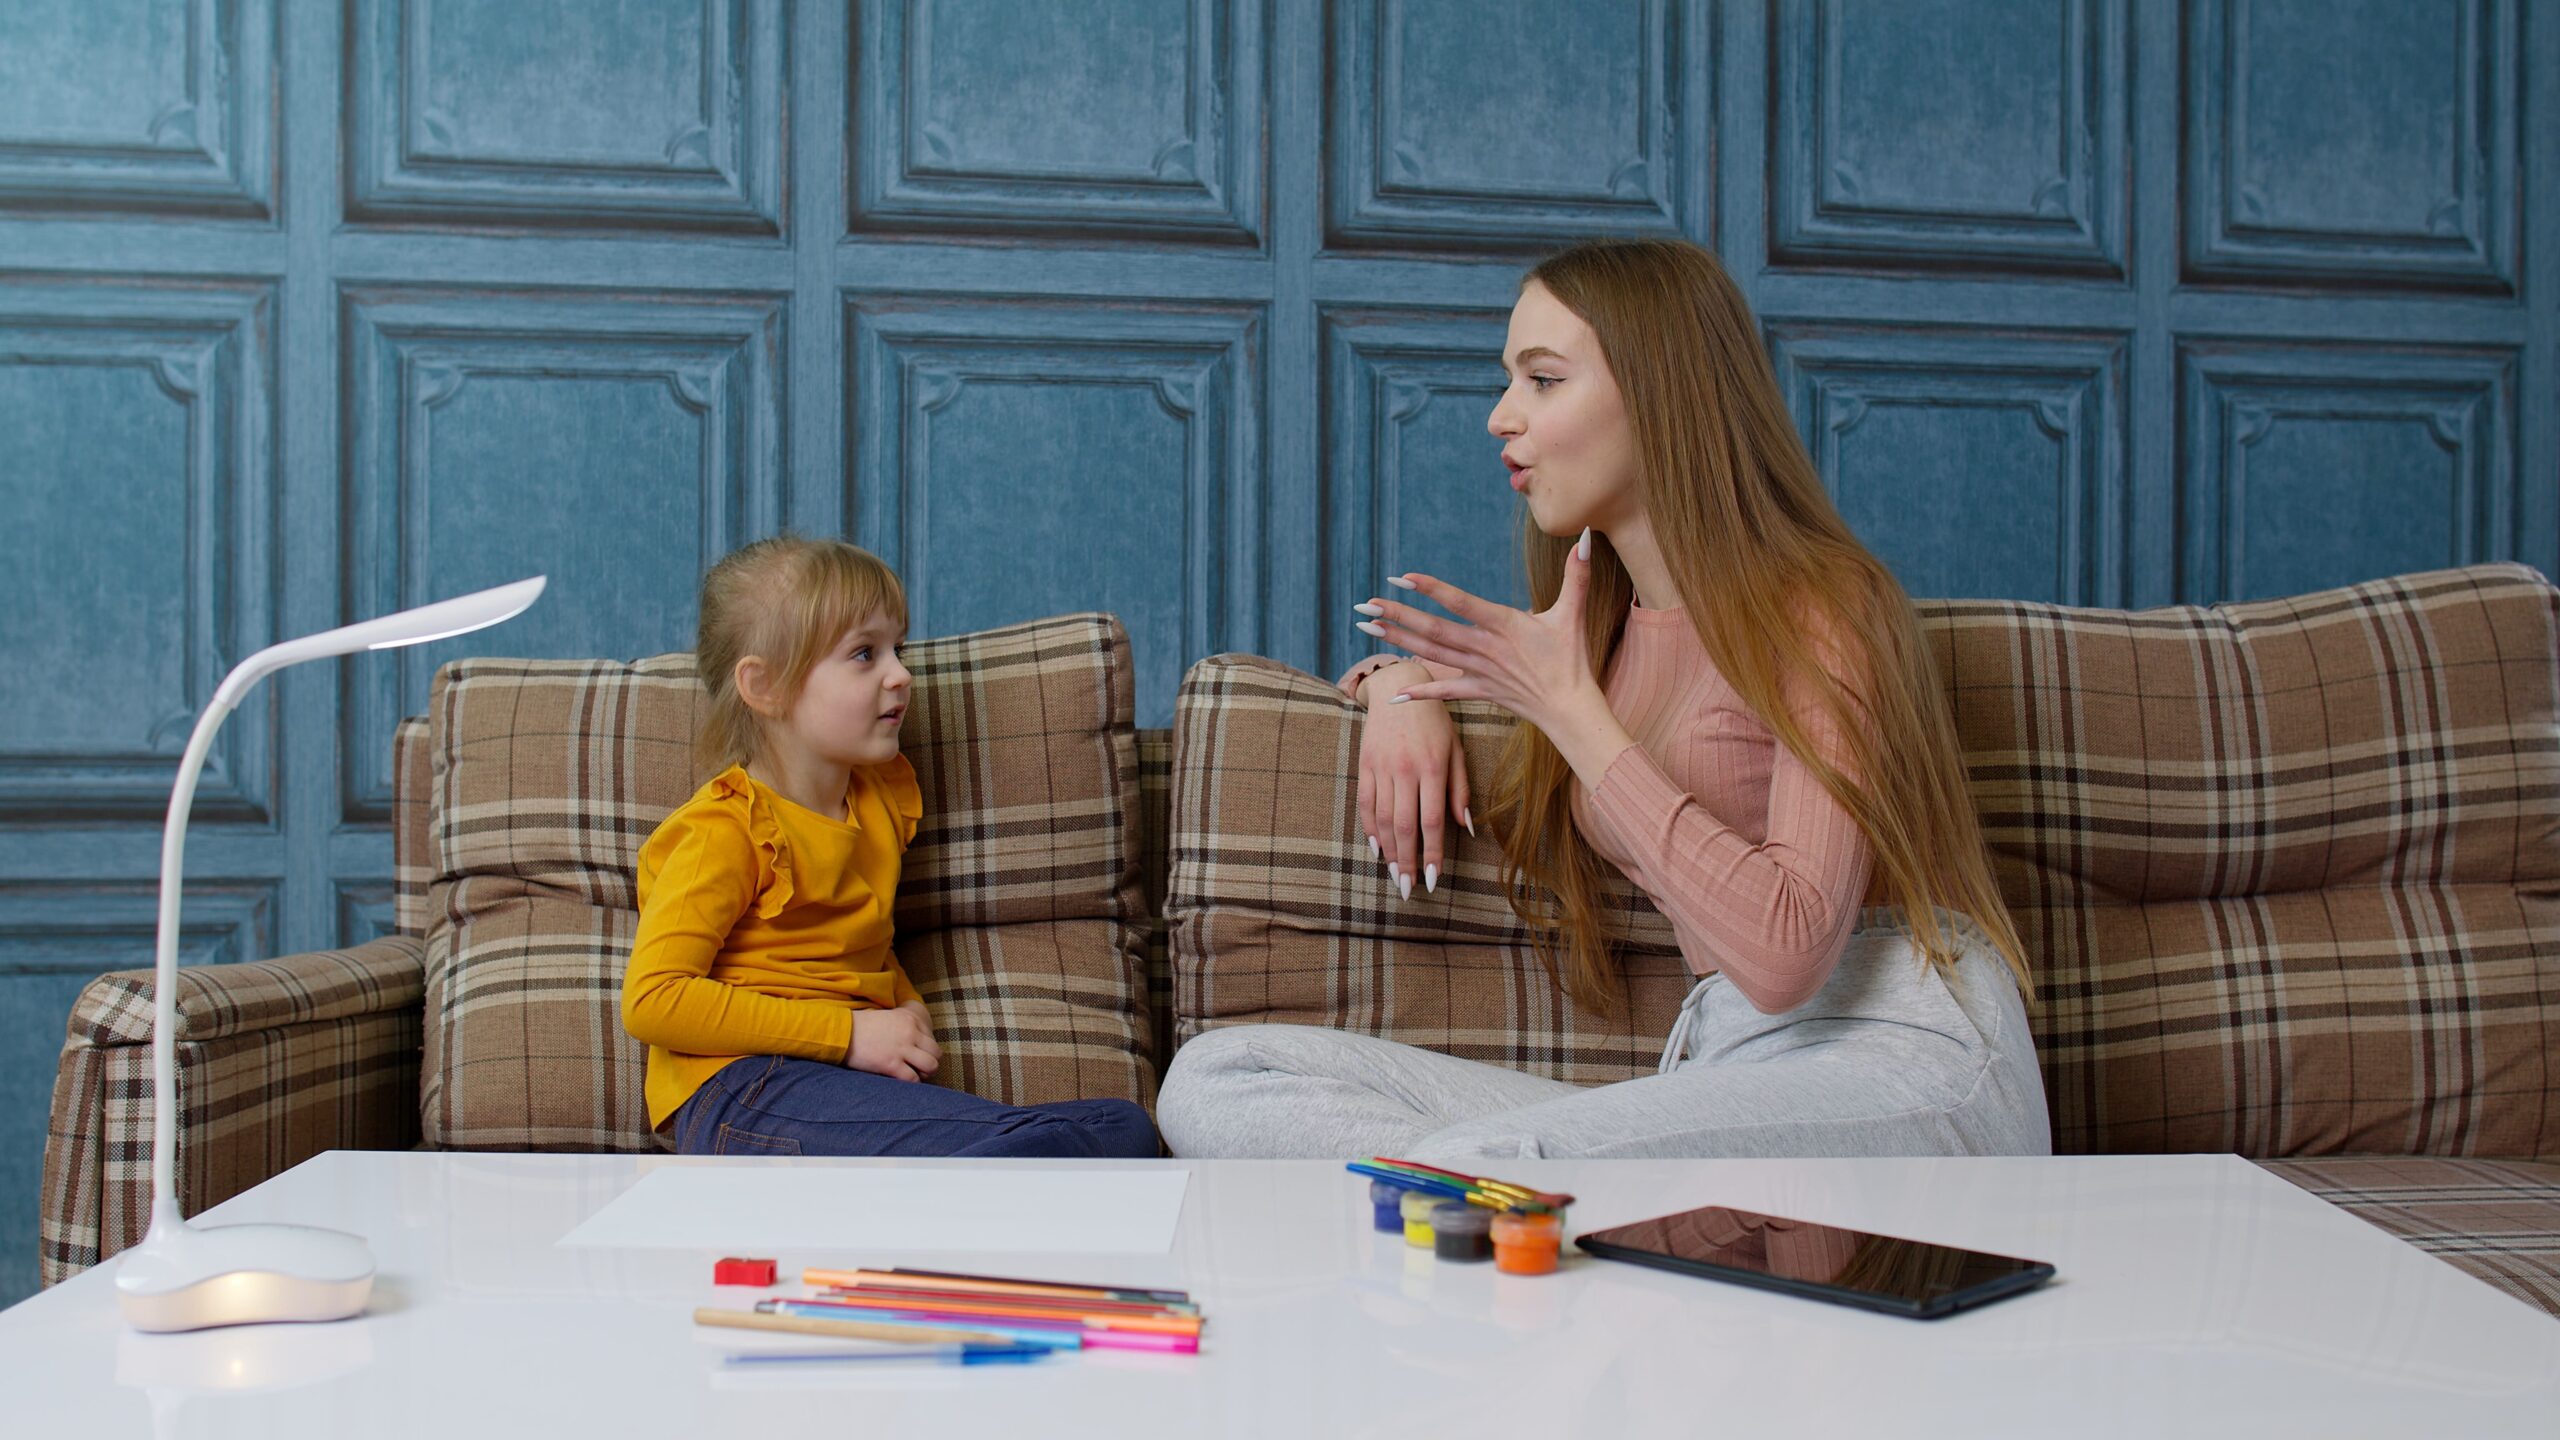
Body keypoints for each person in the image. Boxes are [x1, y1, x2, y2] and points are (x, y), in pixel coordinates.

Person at [1155, 239, 2050, 1162]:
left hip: (1907, 1053)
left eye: (1543, 381)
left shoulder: (1825, 606)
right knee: (1221, 1079)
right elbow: (1548, 709)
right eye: (1510, 382)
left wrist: (1573, 710)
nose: (1501, 417)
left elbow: (1790, 954)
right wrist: (1400, 687)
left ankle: (1483, 1203)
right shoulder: (1599, 643)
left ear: (1661, 394)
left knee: (1491, 1173)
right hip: (1729, 1067)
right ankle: (1495, 1204)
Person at [620, 534, 1159, 1158]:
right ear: (764, 687)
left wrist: (903, 1005)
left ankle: (944, 1198)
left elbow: (864, 942)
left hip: (837, 1085)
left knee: (1123, 1126)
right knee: (1041, 1153)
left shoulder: (876, 801)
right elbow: (654, 1000)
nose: (900, 675)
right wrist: (848, 1033)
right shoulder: (724, 829)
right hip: (742, 1090)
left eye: (896, 649)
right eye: (863, 655)